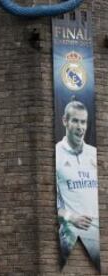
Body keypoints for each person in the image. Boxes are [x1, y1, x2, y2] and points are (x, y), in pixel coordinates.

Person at [56, 100, 100, 269]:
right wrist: (70, 217)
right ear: (64, 121)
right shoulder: (56, 155)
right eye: (75, 121)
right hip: (70, 240)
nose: (80, 127)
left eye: (83, 122)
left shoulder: (94, 154)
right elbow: (48, 205)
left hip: (98, 243)